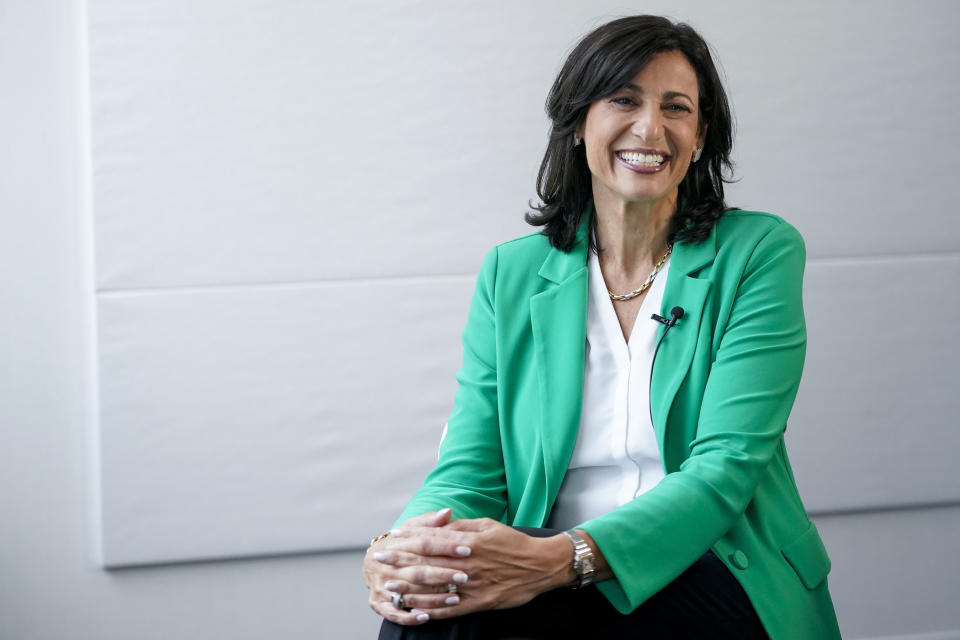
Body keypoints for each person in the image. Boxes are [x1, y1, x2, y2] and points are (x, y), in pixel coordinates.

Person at [362, 14, 841, 640]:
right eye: (623, 99)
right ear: (578, 123)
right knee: (434, 604)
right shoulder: (513, 271)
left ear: (699, 138)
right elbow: (470, 467)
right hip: (541, 557)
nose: (650, 127)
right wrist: (404, 549)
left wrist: (563, 560)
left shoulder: (759, 251)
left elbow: (726, 466)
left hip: (712, 563)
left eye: (677, 108)